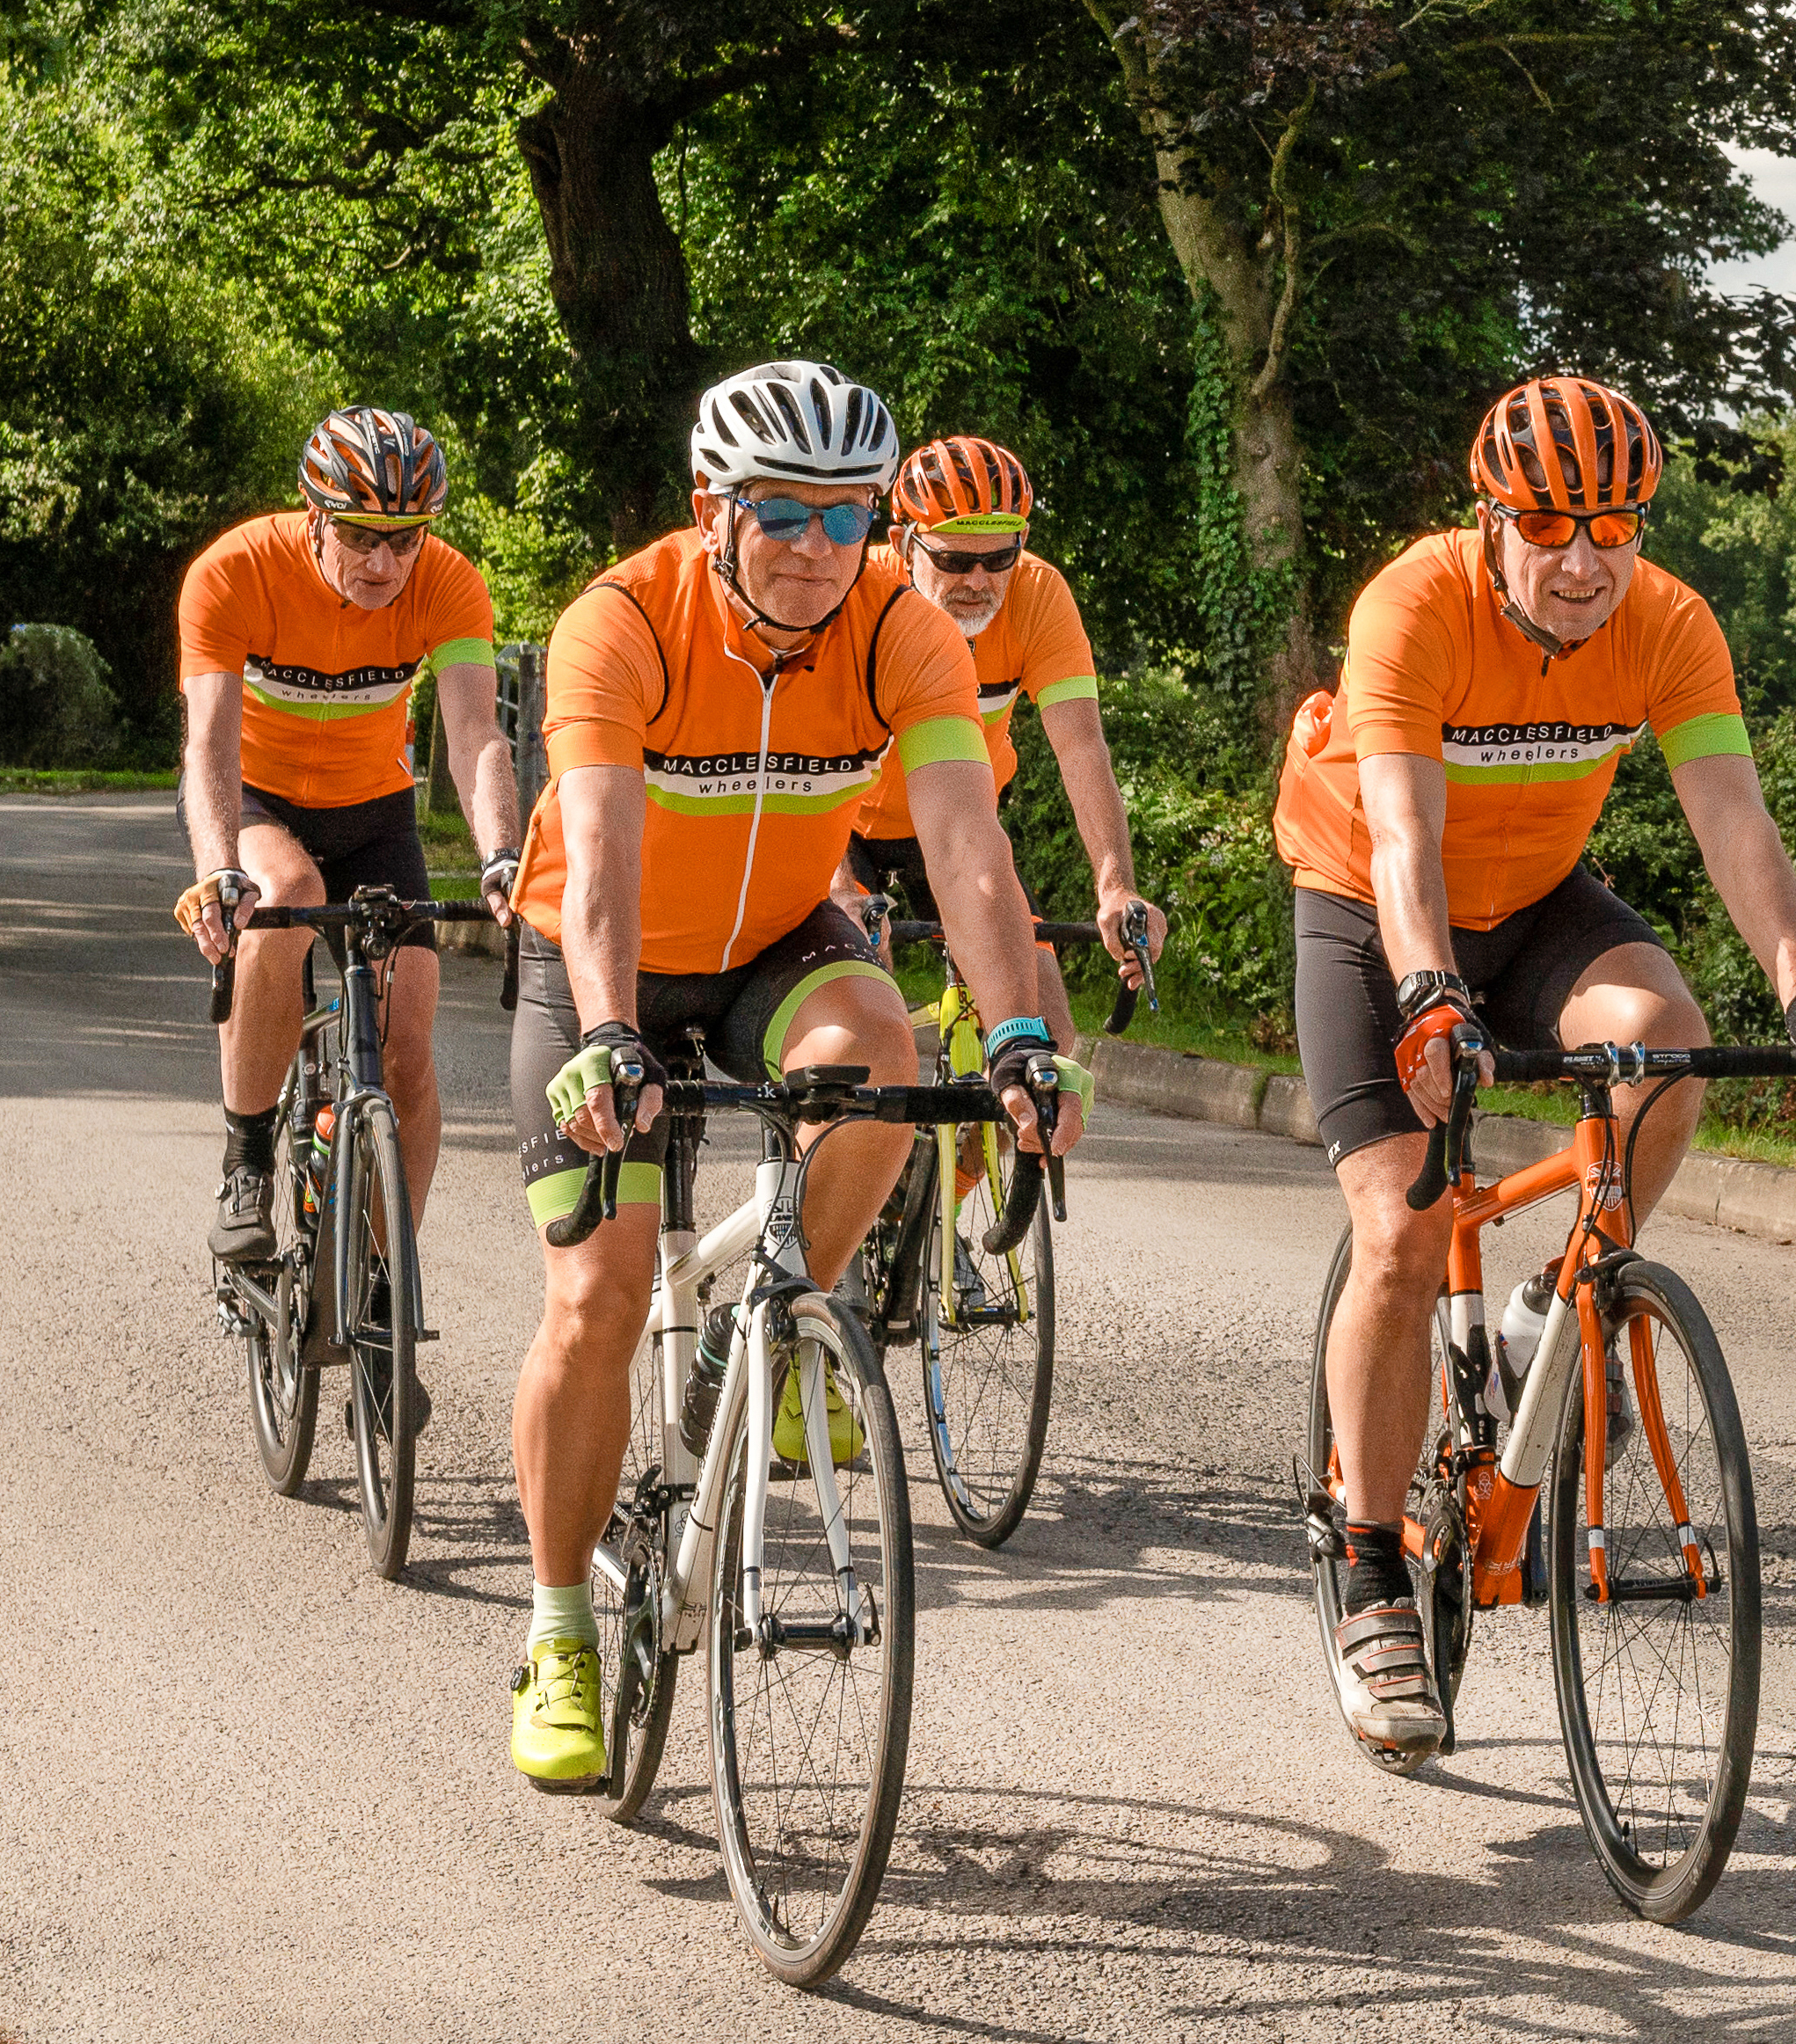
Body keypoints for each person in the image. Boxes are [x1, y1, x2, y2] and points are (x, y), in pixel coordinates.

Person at [1275, 372, 1796, 1764]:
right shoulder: (1413, 607)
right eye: (1547, 526)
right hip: (1370, 903)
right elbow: (1402, 840)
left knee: (1664, 1041)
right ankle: (1371, 1564)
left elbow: (1731, 814)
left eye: (1611, 525)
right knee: (1401, 1229)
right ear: (1490, 520)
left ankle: (1561, 1306)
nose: (1582, 558)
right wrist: (1427, 995)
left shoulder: (1664, 621)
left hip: (1543, 896)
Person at [500, 360, 1086, 1792]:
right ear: (715, 508)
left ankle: (756, 1326)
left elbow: (965, 848)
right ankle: (560, 1628)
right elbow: (599, 862)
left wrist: (1016, 1037)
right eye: (781, 510)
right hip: (607, 966)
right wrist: (604, 1033)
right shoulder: (622, 623)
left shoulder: (898, 624)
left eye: (847, 514)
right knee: (596, 1286)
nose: (817, 545)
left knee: (883, 1060)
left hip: (775, 941)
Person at [175, 409, 519, 1274]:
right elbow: (210, 743)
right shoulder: (235, 571)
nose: (384, 563)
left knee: (406, 1048)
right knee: (283, 896)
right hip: (259, 803)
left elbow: (476, 734)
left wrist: (503, 859)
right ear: (314, 513)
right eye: (363, 535)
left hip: (374, 814)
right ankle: (246, 1165)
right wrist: (219, 870)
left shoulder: (445, 582)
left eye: (405, 540)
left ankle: (382, 1271)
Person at [837, 434, 1165, 998]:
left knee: (1043, 1015)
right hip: (842, 823)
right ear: (902, 542)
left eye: (999, 558)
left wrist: (1117, 887)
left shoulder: (1037, 595)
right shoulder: (853, 595)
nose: (979, 582)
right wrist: (839, 885)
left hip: (960, 821)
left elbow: (1082, 748)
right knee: (860, 1011)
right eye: (955, 560)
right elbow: (802, 753)